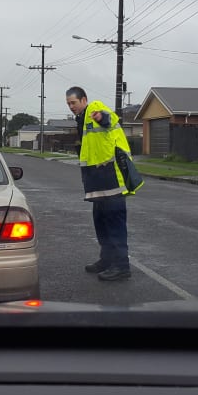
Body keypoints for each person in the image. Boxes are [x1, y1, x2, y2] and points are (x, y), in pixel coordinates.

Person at [65, 86, 143, 281]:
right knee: (100, 222)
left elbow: (109, 119)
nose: (71, 107)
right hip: (97, 180)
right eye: (68, 104)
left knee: (114, 223)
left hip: (111, 178)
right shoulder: (82, 120)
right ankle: (107, 260)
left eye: (73, 102)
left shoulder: (95, 108)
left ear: (84, 100)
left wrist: (101, 117)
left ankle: (122, 266)